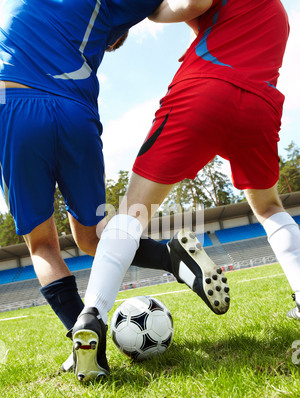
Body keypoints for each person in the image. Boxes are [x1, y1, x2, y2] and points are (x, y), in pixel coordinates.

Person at [70, 0, 299, 382]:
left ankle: (92, 315)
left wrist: (145, 8)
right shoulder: (275, 8)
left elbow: (192, 3)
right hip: (260, 103)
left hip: (206, 90)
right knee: (268, 206)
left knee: (134, 210)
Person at [0, 0, 229, 355]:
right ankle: (172, 258)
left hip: (14, 103)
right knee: (93, 238)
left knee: (43, 245)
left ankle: (87, 343)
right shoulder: (104, 6)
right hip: (76, 116)